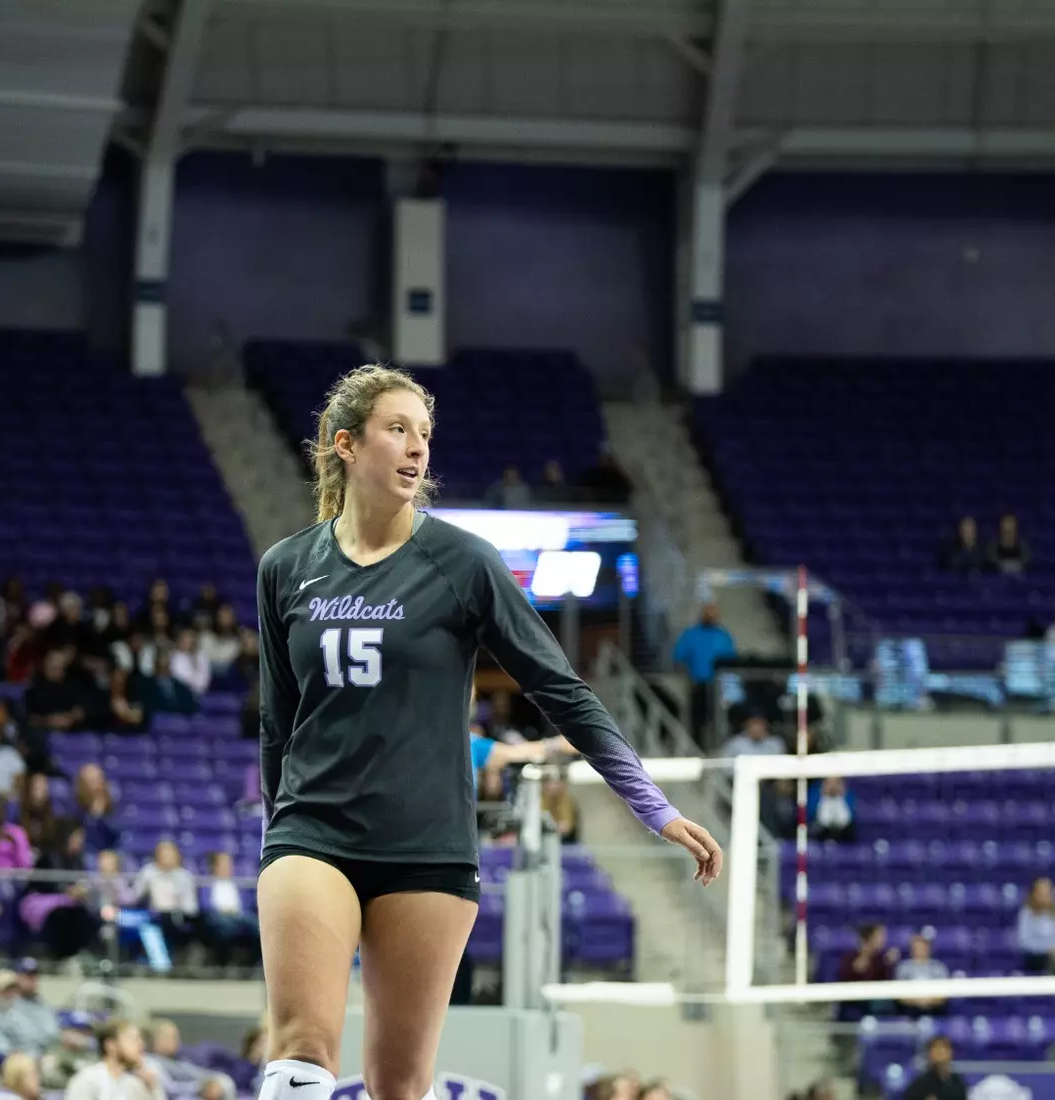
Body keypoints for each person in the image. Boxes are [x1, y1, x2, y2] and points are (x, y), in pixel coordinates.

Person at [252, 366, 720, 1100]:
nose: (417, 449)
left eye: (425, 435)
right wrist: (277, 823)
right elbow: (277, 721)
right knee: (301, 1050)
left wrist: (653, 806)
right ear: (346, 444)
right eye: (397, 429)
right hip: (312, 833)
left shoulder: (462, 562)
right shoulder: (285, 569)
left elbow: (561, 691)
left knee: (400, 1083)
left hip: (428, 847)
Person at [671, 603, 735, 742]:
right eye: (708, 613)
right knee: (697, 719)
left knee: (717, 718)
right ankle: (696, 746)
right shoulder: (691, 634)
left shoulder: (723, 636)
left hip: (718, 686)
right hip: (697, 684)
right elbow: (679, 658)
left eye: (713, 613)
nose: (711, 616)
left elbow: (731, 661)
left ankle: (716, 745)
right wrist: (688, 679)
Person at [64, 1020, 164, 1100]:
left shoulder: (135, 1084)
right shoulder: (88, 1080)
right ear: (110, 1045)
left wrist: (152, 1088)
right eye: (132, 1039)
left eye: (140, 1039)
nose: (141, 1044)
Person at [902, 1036, 965, 1100]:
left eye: (944, 1047)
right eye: (936, 1048)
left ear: (951, 1052)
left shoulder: (958, 1083)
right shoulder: (919, 1085)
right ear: (929, 1054)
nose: (941, 1052)